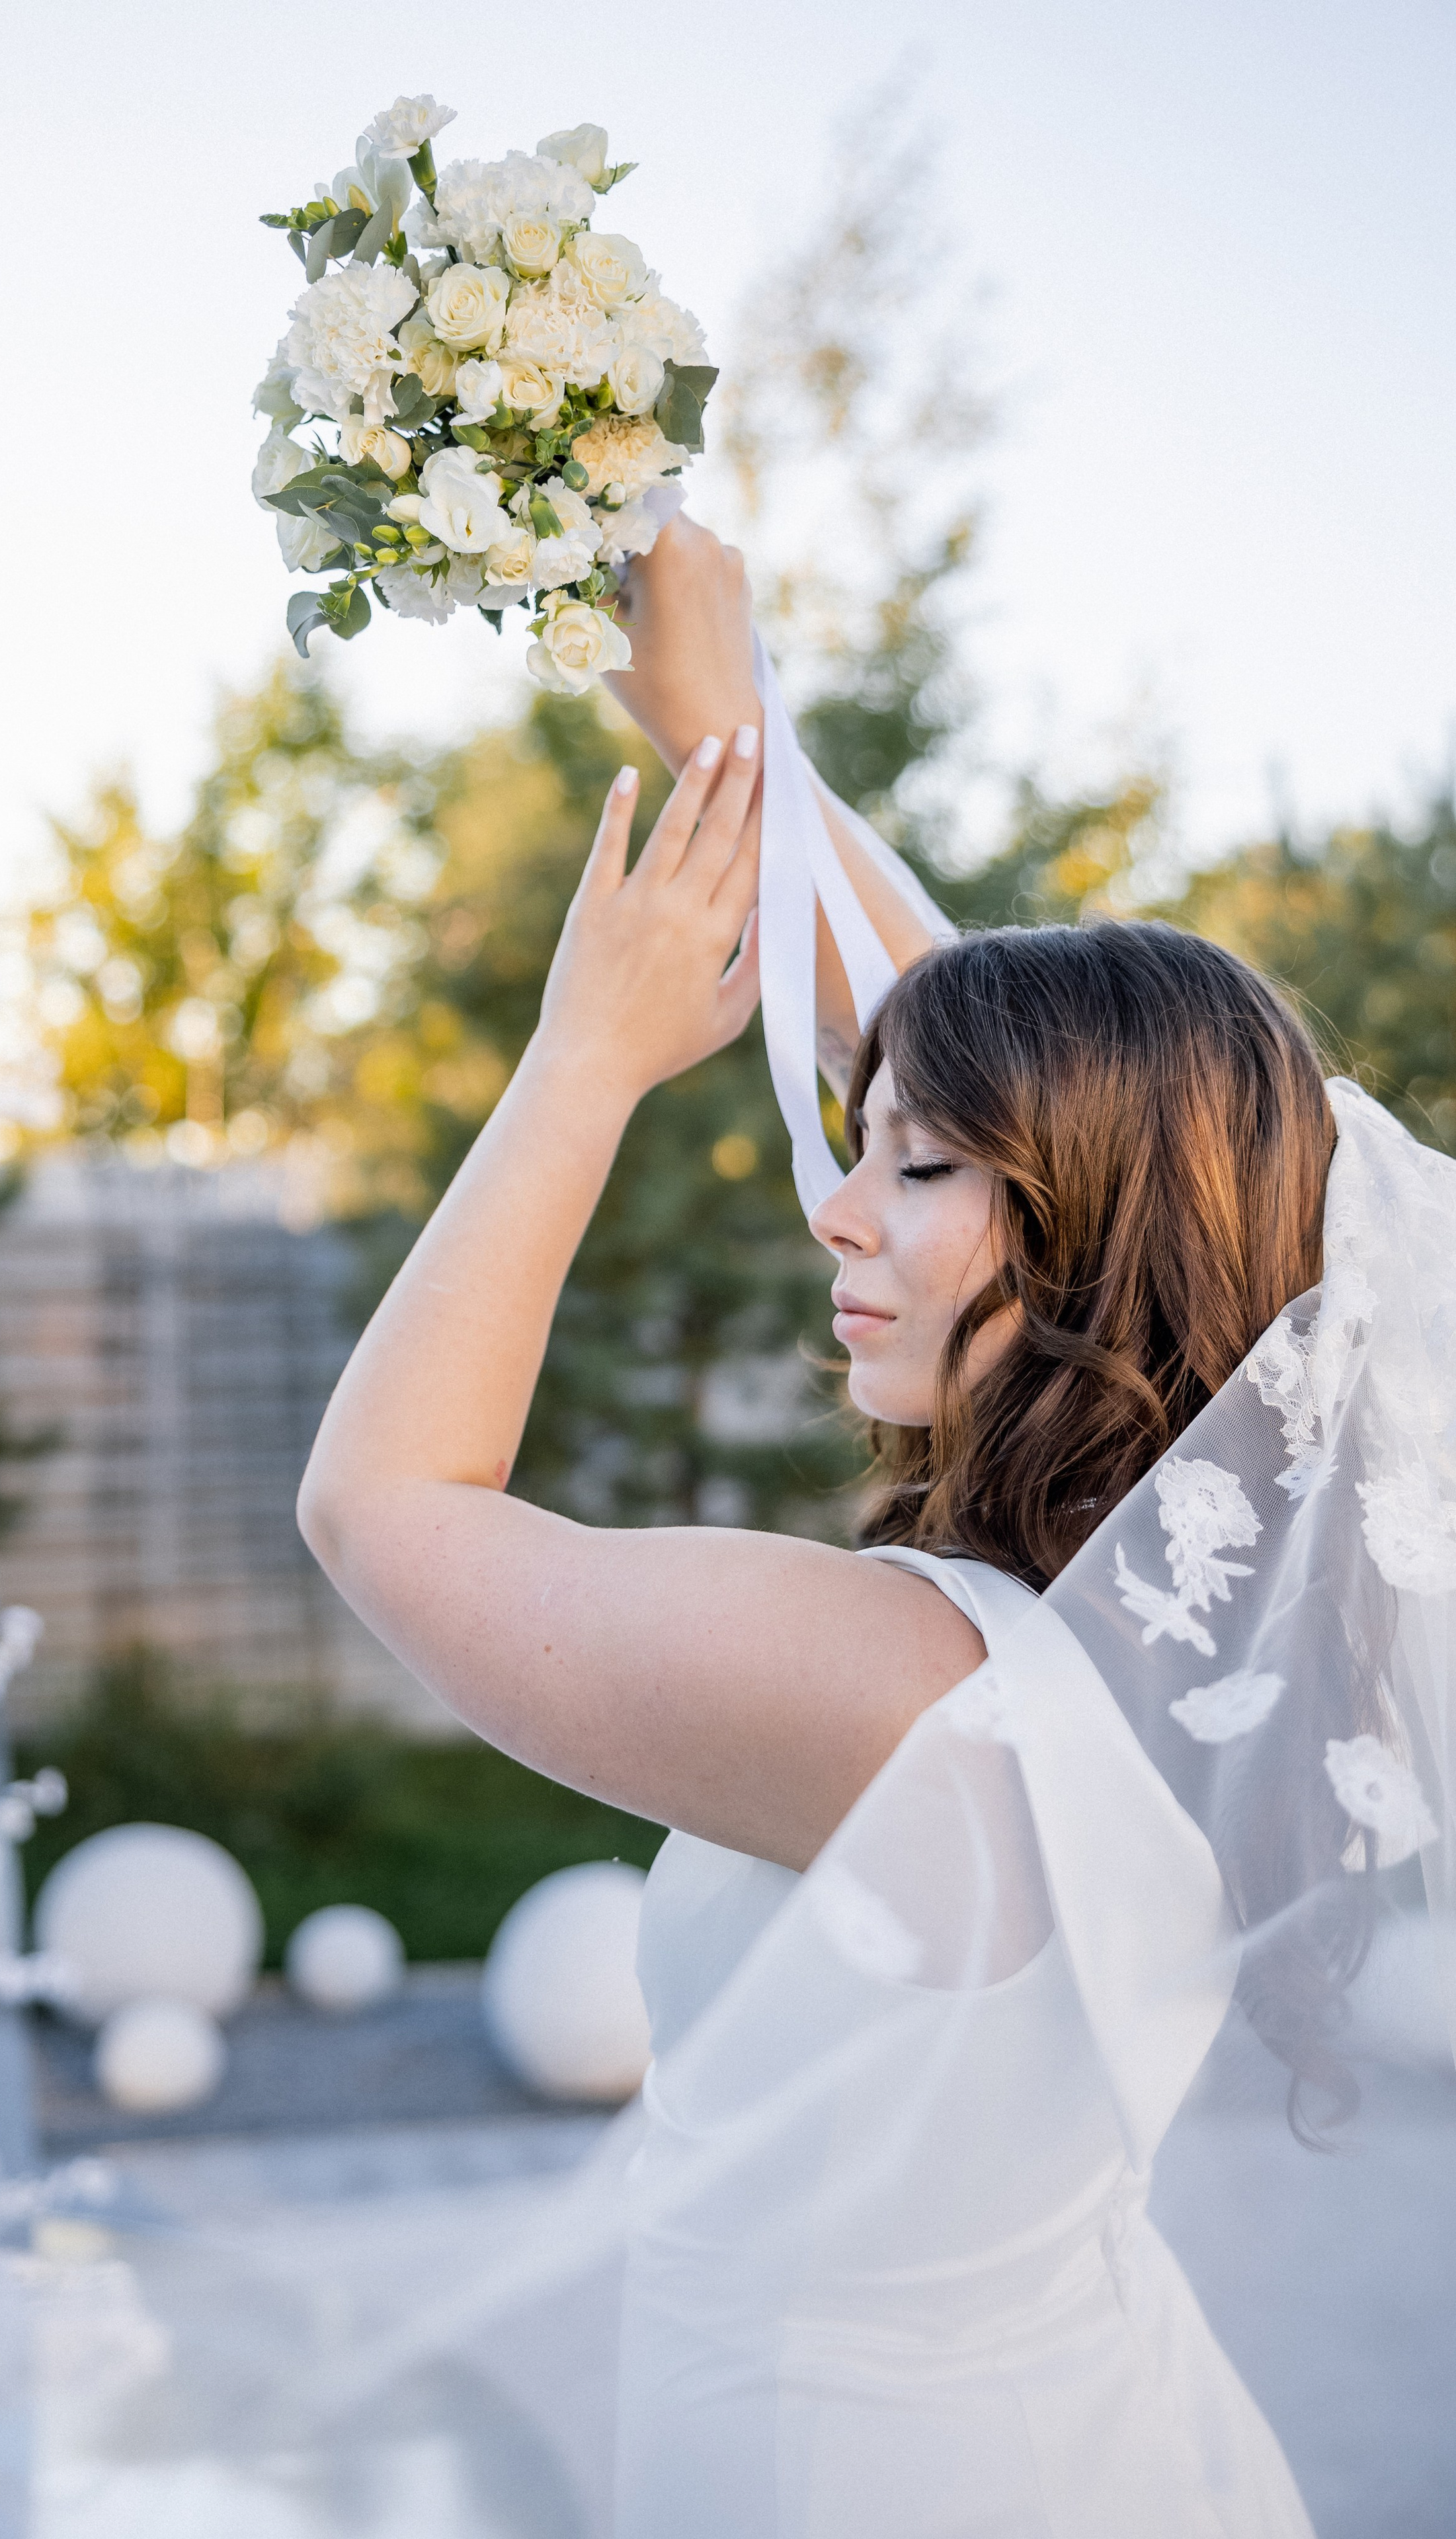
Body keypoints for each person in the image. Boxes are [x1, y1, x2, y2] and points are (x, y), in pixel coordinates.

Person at [299, 522, 1452, 2535]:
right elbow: (1054, 1084)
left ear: (1096, 1236)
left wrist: (588, 1059)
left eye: (912, 1167)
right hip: (1081, 2433)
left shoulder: (916, 1693)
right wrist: (730, 736)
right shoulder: (1224, 1619)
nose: (838, 1199)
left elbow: (383, 1506)